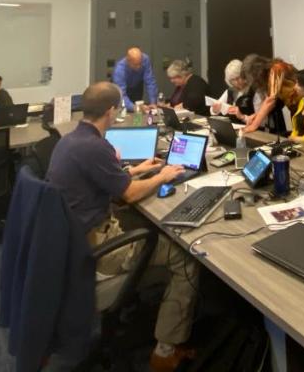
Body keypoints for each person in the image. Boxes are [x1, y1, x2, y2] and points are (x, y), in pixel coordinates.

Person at [46, 82, 197, 372]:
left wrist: (137, 170)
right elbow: (127, 194)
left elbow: (103, 178)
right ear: (111, 111)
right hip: (98, 250)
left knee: (144, 222)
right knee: (185, 255)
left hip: (73, 243)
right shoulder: (95, 146)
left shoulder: (71, 140)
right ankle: (166, 351)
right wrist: (162, 176)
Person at [242, 59, 296, 137]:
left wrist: (253, 126)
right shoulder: (274, 69)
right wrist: (256, 115)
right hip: (297, 109)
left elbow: (270, 101)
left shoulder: (276, 69)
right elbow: (269, 100)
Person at [112, 47, 159, 111]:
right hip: (122, 88)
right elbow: (121, 94)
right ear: (128, 61)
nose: (139, 67)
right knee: (125, 108)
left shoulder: (145, 59)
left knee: (138, 112)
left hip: (137, 86)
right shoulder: (119, 70)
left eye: (140, 64)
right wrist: (134, 107)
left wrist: (153, 102)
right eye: (135, 65)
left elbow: (150, 81)